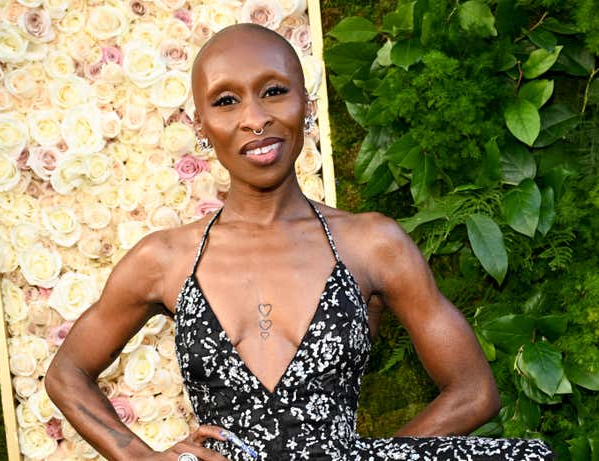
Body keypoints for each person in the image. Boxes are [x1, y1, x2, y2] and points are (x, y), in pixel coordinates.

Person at [45, 23, 553, 461]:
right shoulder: (164, 260)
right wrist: (136, 454)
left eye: (273, 91)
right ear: (201, 126)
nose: (254, 117)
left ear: (306, 106)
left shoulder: (372, 244)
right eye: (226, 100)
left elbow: (474, 391)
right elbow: (66, 372)